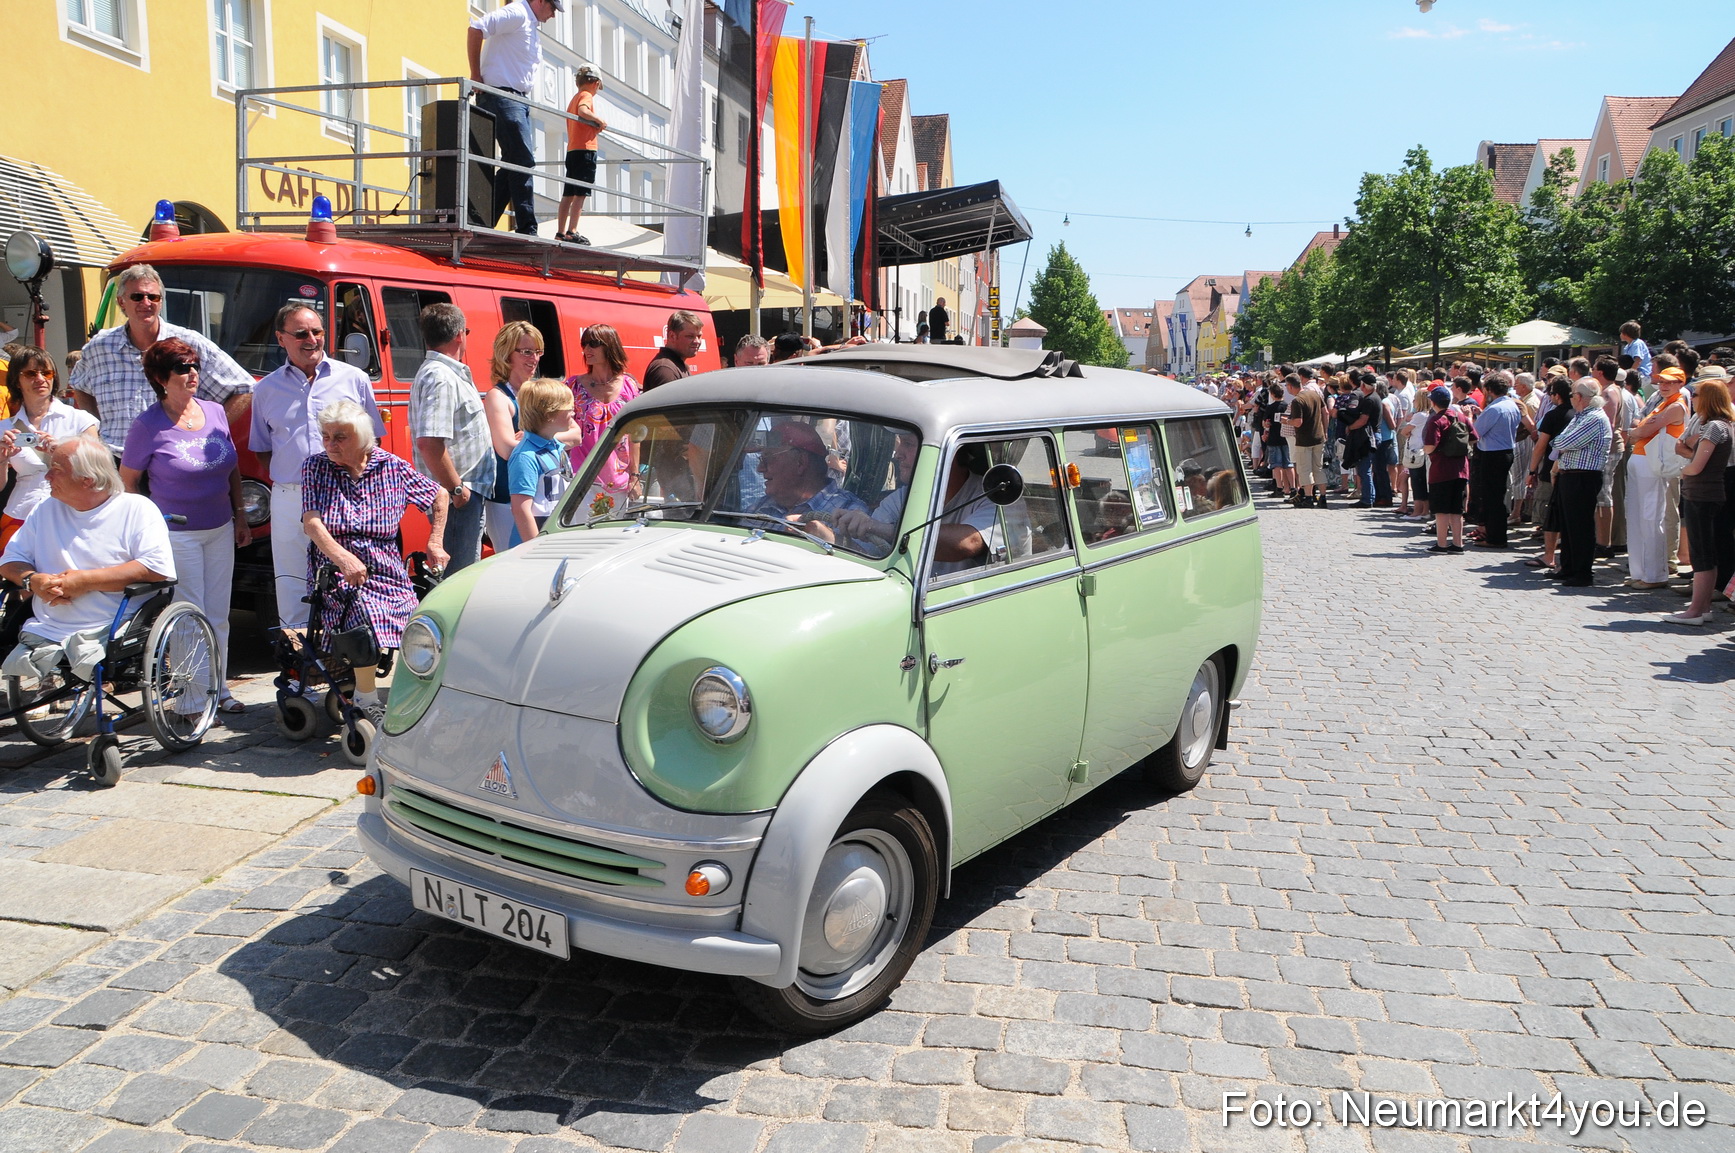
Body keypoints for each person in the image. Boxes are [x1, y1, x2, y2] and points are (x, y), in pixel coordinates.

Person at [120, 338, 251, 713]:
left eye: (194, 366)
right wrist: (145, 528)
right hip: (177, 534)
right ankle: (192, 699)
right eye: (182, 368)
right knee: (188, 615)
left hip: (220, 527)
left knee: (219, 614)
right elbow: (128, 482)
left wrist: (240, 514)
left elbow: (232, 468)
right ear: (162, 378)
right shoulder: (148, 425)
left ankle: (219, 690)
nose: (192, 373)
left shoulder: (215, 412)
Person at [302, 401, 450, 721]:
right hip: (335, 563)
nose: (330, 444)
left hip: (385, 562)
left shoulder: (391, 466)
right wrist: (344, 558)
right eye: (326, 436)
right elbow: (312, 524)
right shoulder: (316, 466)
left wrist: (435, 542)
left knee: (422, 617)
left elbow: (439, 495)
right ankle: (366, 699)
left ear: (362, 438)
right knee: (363, 611)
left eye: (340, 437)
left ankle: (413, 690)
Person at [251, 304, 385, 628]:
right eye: (301, 334)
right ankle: (299, 656)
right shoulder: (266, 389)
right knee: (292, 583)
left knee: (349, 576)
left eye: (317, 331)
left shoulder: (354, 379)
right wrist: (295, 479)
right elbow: (263, 449)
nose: (311, 340)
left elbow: (373, 442)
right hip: (290, 496)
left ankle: (349, 653)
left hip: (344, 494)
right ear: (281, 338)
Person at [0, 440, 176, 685]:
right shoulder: (45, 508)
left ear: (88, 480)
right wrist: (32, 580)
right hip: (46, 625)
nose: (47, 476)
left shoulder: (137, 509)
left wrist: (85, 581)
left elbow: (156, 568)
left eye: (56, 470)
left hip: (113, 625)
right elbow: (11, 559)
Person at [70, 264, 252, 453]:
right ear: (121, 302)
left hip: (170, 460)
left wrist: (207, 434)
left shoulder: (189, 343)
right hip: (114, 459)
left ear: (161, 302)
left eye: (153, 297)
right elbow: (79, 385)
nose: (146, 303)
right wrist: (95, 435)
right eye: (137, 296)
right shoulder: (99, 347)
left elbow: (244, 386)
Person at [466, 0, 562, 234]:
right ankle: (527, 226)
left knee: (513, 163)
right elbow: (476, 28)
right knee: (522, 160)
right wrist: (475, 74)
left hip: (515, 99)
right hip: (503, 96)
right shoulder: (517, 13)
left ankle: (482, 221)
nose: (553, 15)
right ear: (540, 1)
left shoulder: (528, 21)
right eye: (552, 8)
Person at [411, 303, 491, 574]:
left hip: (459, 494)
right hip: (457, 497)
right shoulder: (441, 377)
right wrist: (457, 490)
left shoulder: (443, 373)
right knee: (459, 576)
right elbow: (429, 443)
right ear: (459, 335)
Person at [0, 346, 101, 548]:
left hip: (72, 516)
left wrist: (62, 452)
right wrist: (2, 460)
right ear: (17, 381)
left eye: (46, 373)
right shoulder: (5, 427)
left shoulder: (81, 420)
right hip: (20, 515)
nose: (40, 379)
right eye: (31, 373)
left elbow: (100, 474)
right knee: (12, 566)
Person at [1667, 379, 1733, 624]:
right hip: (1705, 494)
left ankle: (1695, 610)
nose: (1692, 398)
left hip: (1703, 495)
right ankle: (1702, 608)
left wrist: (1682, 469)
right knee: (1706, 553)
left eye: (1695, 395)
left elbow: (1696, 466)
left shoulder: (1715, 427)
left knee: (1702, 555)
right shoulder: (1718, 425)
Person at [1623, 359, 1688, 589]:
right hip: (1642, 460)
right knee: (1637, 517)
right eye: (1661, 382)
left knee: (1651, 517)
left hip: (1652, 464)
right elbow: (1640, 426)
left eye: (1670, 382)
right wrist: (1638, 430)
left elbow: (1643, 429)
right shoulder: (1662, 403)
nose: (1664, 386)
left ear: (1681, 384)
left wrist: (1637, 431)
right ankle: (1640, 571)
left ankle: (1654, 575)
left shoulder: (1677, 405)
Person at [567, 324, 641, 515]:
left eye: (593, 344)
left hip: (619, 480)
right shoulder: (573, 386)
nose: (586, 349)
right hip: (581, 478)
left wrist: (634, 476)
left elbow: (636, 434)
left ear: (609, 345)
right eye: (584, 344)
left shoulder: (629, 386)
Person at [482, 320, 542, 551]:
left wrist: (529, 439)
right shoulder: (498, 396)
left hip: (541, 498)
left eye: (537, 351)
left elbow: (575, 435)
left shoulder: (540, 391)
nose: (534, 358)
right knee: (512, 562)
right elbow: (507, 448)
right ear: (506, 354)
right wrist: (549, 441)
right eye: (526, 352)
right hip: (506, 499)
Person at [1549, 379, 1613, 588]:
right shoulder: (1581, 416)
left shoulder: (1594, 418)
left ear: (1578, 397)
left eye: (1572, 394)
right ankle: (1568, 567)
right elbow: (1559, 441)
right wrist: (1559, 443)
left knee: (1580, 526)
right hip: (1570, 474)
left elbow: (1563, 441)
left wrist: (1559, 443)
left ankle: (1582, 572)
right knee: (1568, 525)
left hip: (1583, 476)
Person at [750, 420, 868, 527]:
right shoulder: (761, 507)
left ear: (801, 462)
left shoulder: (850, 514)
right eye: (761, 460)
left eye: (768, 459)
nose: (760, 468)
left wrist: (830, 538)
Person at [506, 376, 577, 546]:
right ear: (549, 414)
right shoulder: (525, 456)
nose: (573, 413)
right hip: (538, 542)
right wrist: (535, 549)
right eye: (569, 408)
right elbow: (521, 510)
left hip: (558, 536)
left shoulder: (556, 446)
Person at [831, 430, 918, 555]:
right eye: (901, 442)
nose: (897, 455)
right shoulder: (901, 498)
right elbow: (866, 552)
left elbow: (937, 539)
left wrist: (878, 527)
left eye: (908, 444)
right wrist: (827, 537)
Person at [1522, 375, 1574, 573]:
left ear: (1557, 395)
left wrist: (1532, 470)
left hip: (1552, 468)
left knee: (1550, 512)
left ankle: (1548, 555)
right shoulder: (1579, 414)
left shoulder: (1554, 415)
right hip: (1571, 469)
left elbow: (1541, 445)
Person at [1469, 372, 1520, 548]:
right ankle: (1494, 534)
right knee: (1497, 495)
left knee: (1492, 498)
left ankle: (1495, 537)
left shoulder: (1495, 408)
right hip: (1506, 451)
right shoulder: (1511, 405)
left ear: (1490, 390)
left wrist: (1471, 418)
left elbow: (1476, 432)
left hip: (1493, 454)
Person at [557, 65, 605, 244]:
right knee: (581, 193)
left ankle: (561, 232)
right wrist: (599, 120)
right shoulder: (586, 96)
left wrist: (592, 125)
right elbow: (583, 111)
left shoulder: (574, 98)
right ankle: (572, 230)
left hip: (573, 150)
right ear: (596, 83)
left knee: (568, 194)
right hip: (585, 150)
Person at [1422, 386, 1470, 553]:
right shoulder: (1460, 416)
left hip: (1441, 470)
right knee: (1457, 510)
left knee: (1441, 510)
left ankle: (1441, 544)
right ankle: (1458, 544)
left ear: (1433, 402)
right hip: (1461, 468)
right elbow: (1474, 438)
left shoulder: (1436, 420)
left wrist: (1427, 451)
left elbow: (1430, 446)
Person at [643, 311, 704, 390]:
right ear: (672, 336)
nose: (697, 341)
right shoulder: (665, 369)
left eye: (699, 336)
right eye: (690, 336)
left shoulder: (676, 365)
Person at [1620, 320, 1652, 390]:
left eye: (1621, 333)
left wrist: (1629, 374)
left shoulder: (1637, 344)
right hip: (1635, 372)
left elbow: (1638, 360)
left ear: (1626, 334)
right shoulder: (1627, 346)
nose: (1620, 335)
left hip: (1642, 374)